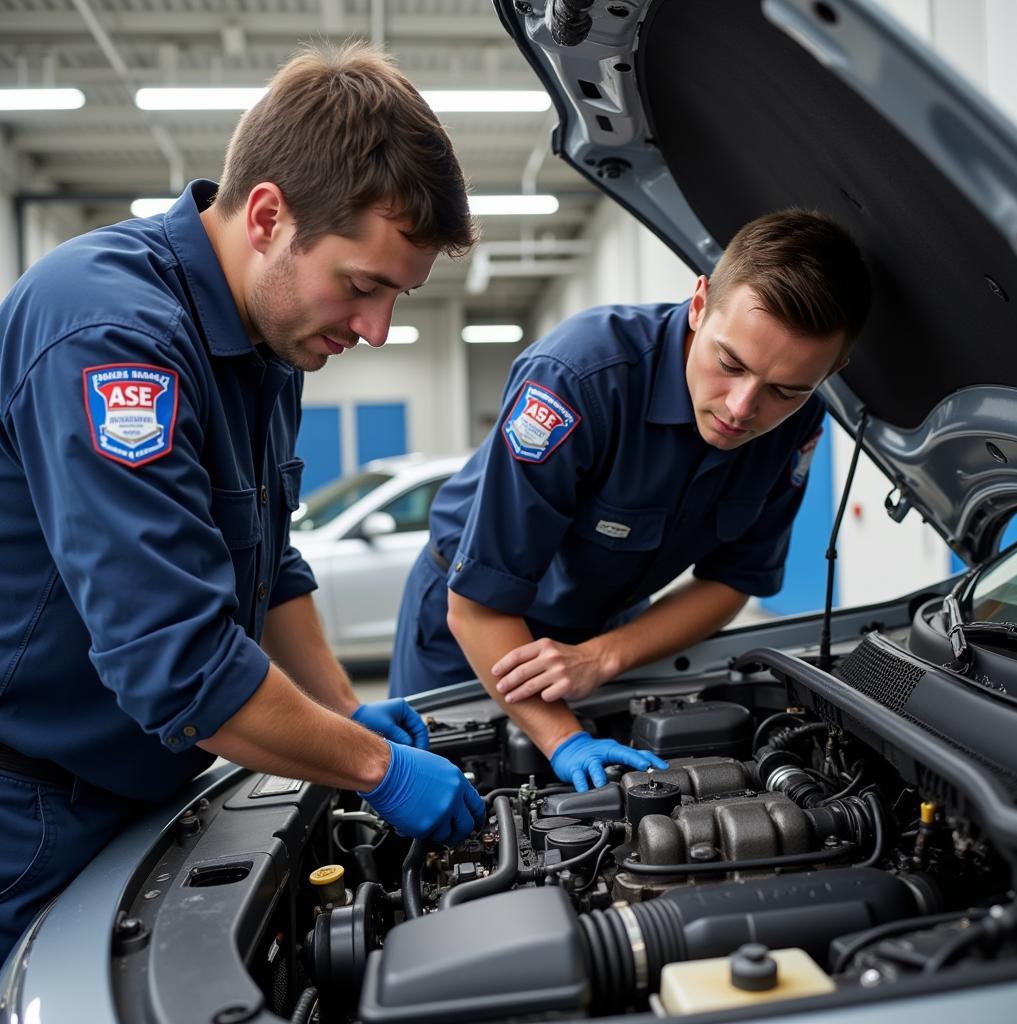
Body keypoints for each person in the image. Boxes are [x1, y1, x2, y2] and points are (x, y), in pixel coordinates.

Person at [0, 43, 486, 966]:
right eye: (364, 285)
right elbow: (179, 668)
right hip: (27, 814)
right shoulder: (110, 338)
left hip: (139, 787)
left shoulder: (267, 342)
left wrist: (342, 712)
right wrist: (374, 770)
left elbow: (269, 564)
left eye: (398, 297)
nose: (377, 330)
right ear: (268, 214)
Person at [389, 210, 871, 792]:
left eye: (785, 390)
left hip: (600, 633)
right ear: (699, 303)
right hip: (468, 630)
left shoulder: (802, 425)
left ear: (832, 371)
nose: (743, 408)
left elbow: (732, 582)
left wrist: (604, 656)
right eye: (730, 364)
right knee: (449, 803)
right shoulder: (579, 378)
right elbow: (476, 607)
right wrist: (565, 740)